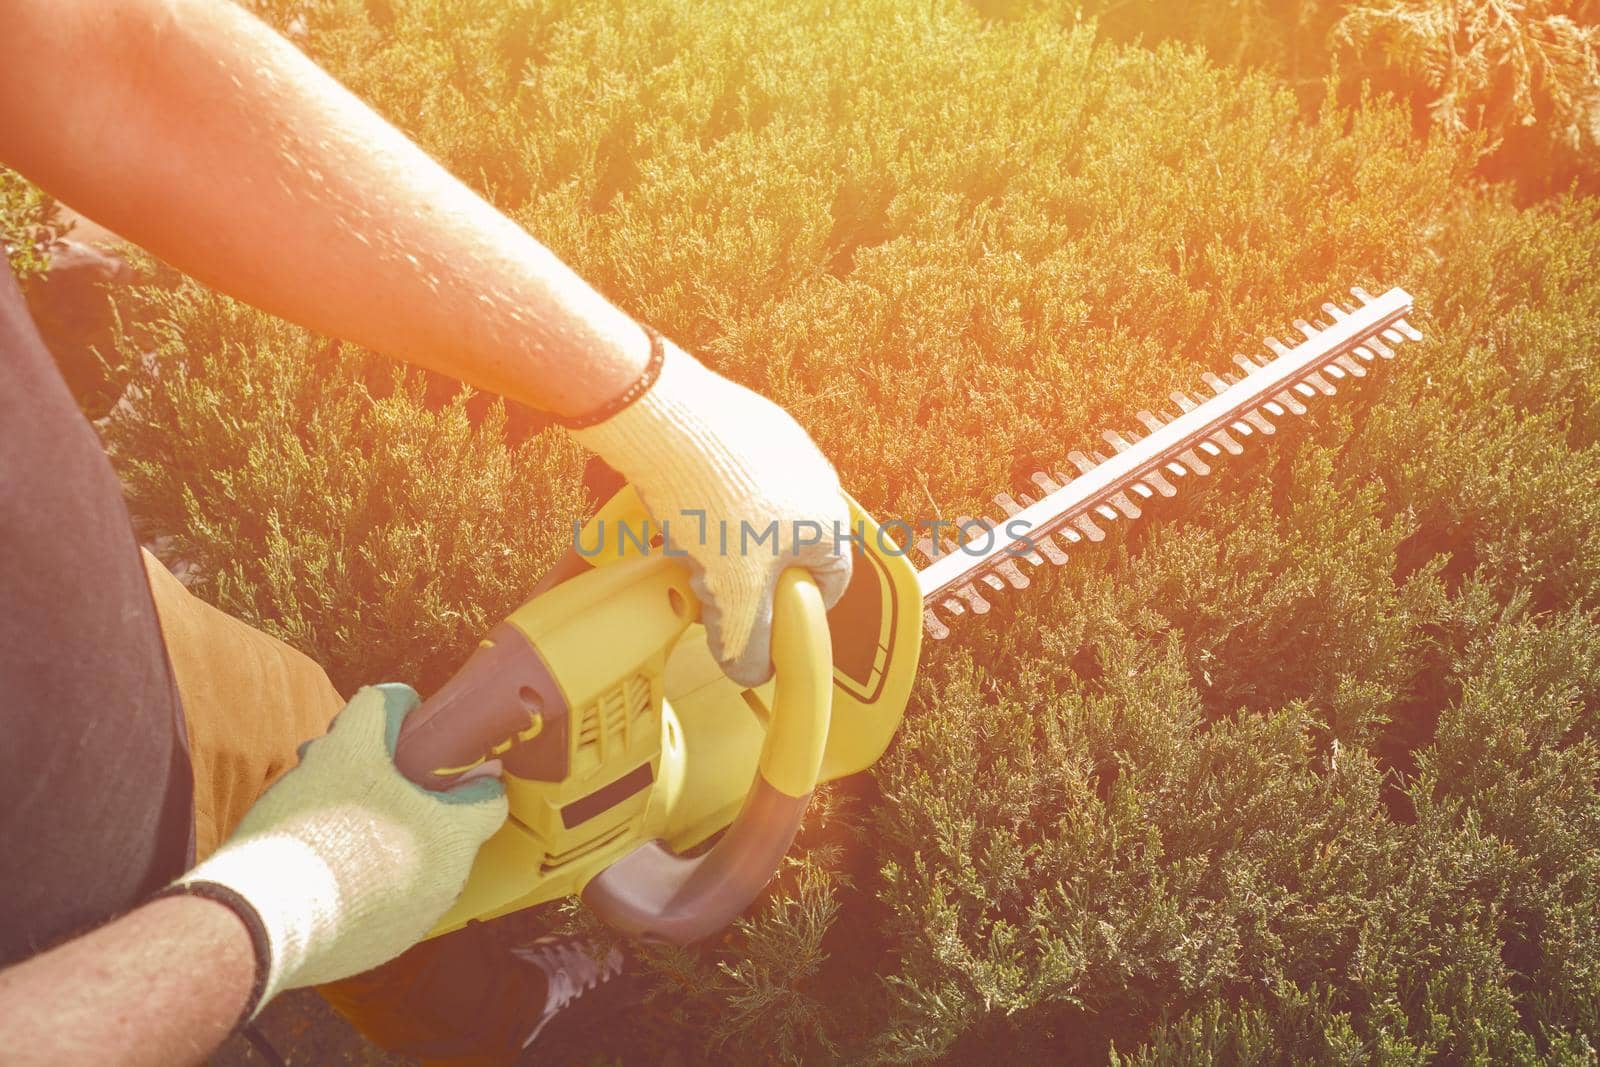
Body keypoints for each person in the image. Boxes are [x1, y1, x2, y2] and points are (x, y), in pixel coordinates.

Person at [0, 1, 852, 1064]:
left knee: (339, 754)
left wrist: (657, 406)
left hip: (144, 658)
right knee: (326, 877)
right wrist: (288, 894)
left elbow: (94, 48)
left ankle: (483, 1015)